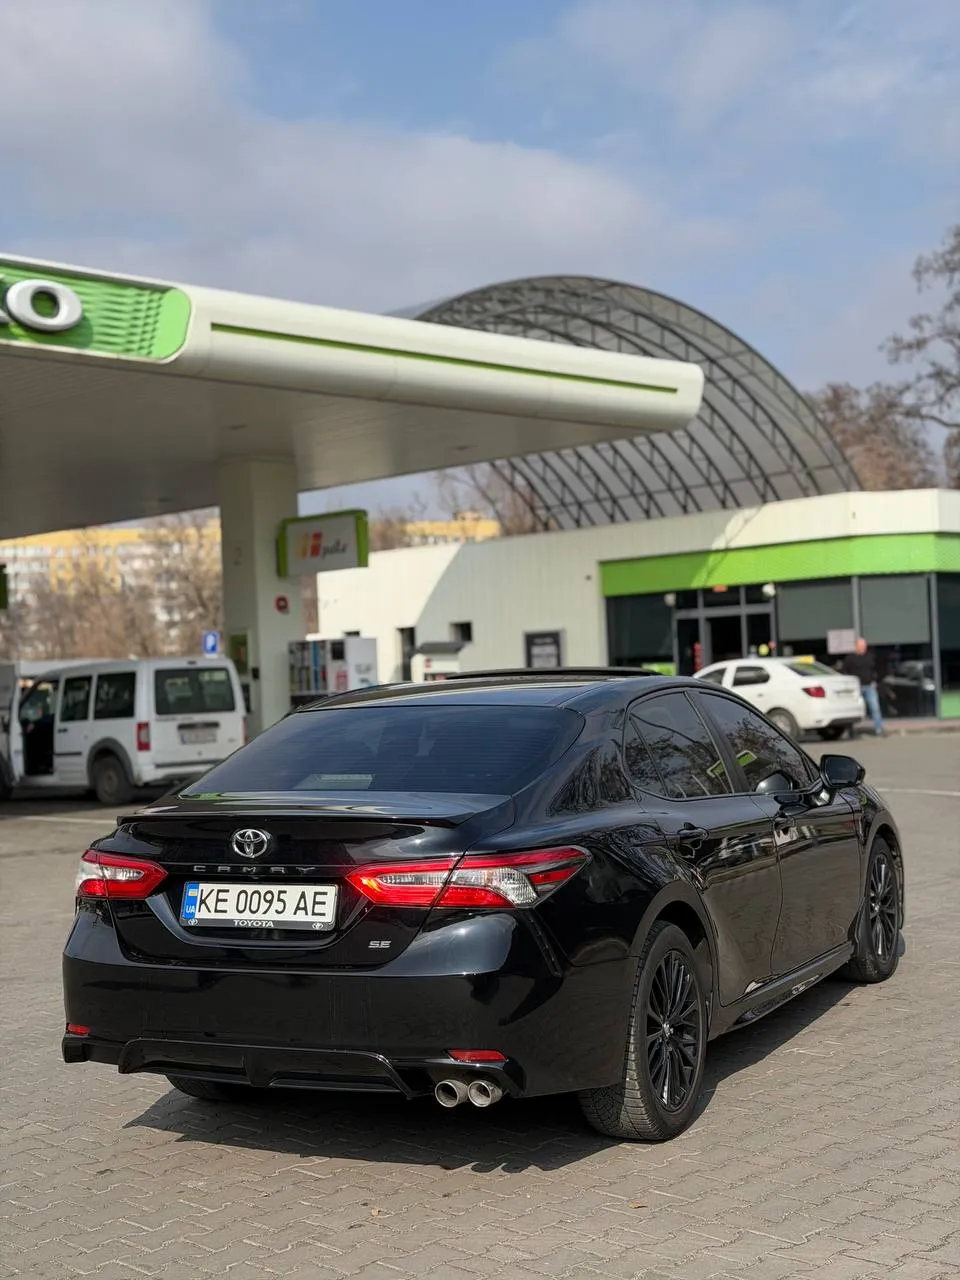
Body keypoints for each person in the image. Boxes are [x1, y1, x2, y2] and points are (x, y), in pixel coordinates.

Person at [842, 638, 884, 737]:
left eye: (864, 646)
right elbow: (845, 671)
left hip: (869, 686)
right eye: (861, 646)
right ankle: (850, 730)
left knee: (875, 708)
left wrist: (875, 681)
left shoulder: (870, 657)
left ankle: (879, 729)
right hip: (856, 687)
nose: (863, 648)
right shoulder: (850, 658)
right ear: (856, 646)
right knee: (852, 710)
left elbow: (878, 669)